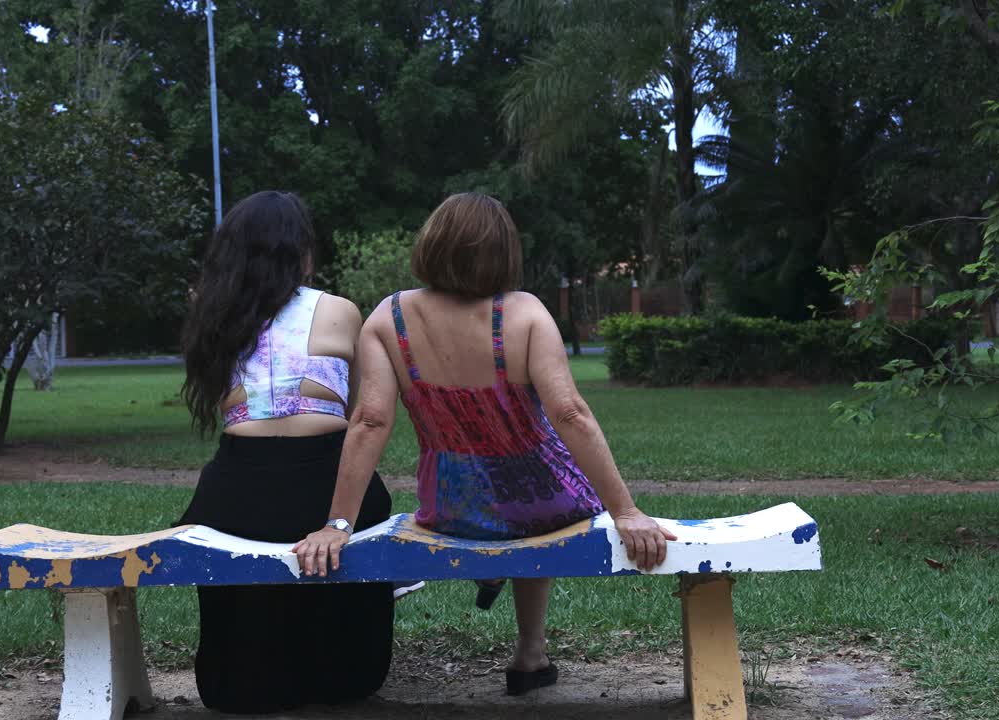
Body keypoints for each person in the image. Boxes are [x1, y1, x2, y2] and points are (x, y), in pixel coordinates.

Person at [294, 192, 675, 696]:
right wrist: (624, 511)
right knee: (534, 511)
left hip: (453, 505)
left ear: (433, 244)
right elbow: (569, 413)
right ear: (504, 253)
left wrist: (337, 523)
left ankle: (504, 595)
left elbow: (368, 421)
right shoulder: (526, 314)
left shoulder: (388, 319)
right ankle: (530, 653)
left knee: (506, 517)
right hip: (544, 498)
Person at [177, 191, 394, 713]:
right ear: (300, 251)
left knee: (232, 541)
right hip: (325, 480)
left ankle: (254, 666)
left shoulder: (210, 309)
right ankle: (335, 664)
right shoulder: (338, 311)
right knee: (371, 510)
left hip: (237, 487)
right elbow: (359, 405)